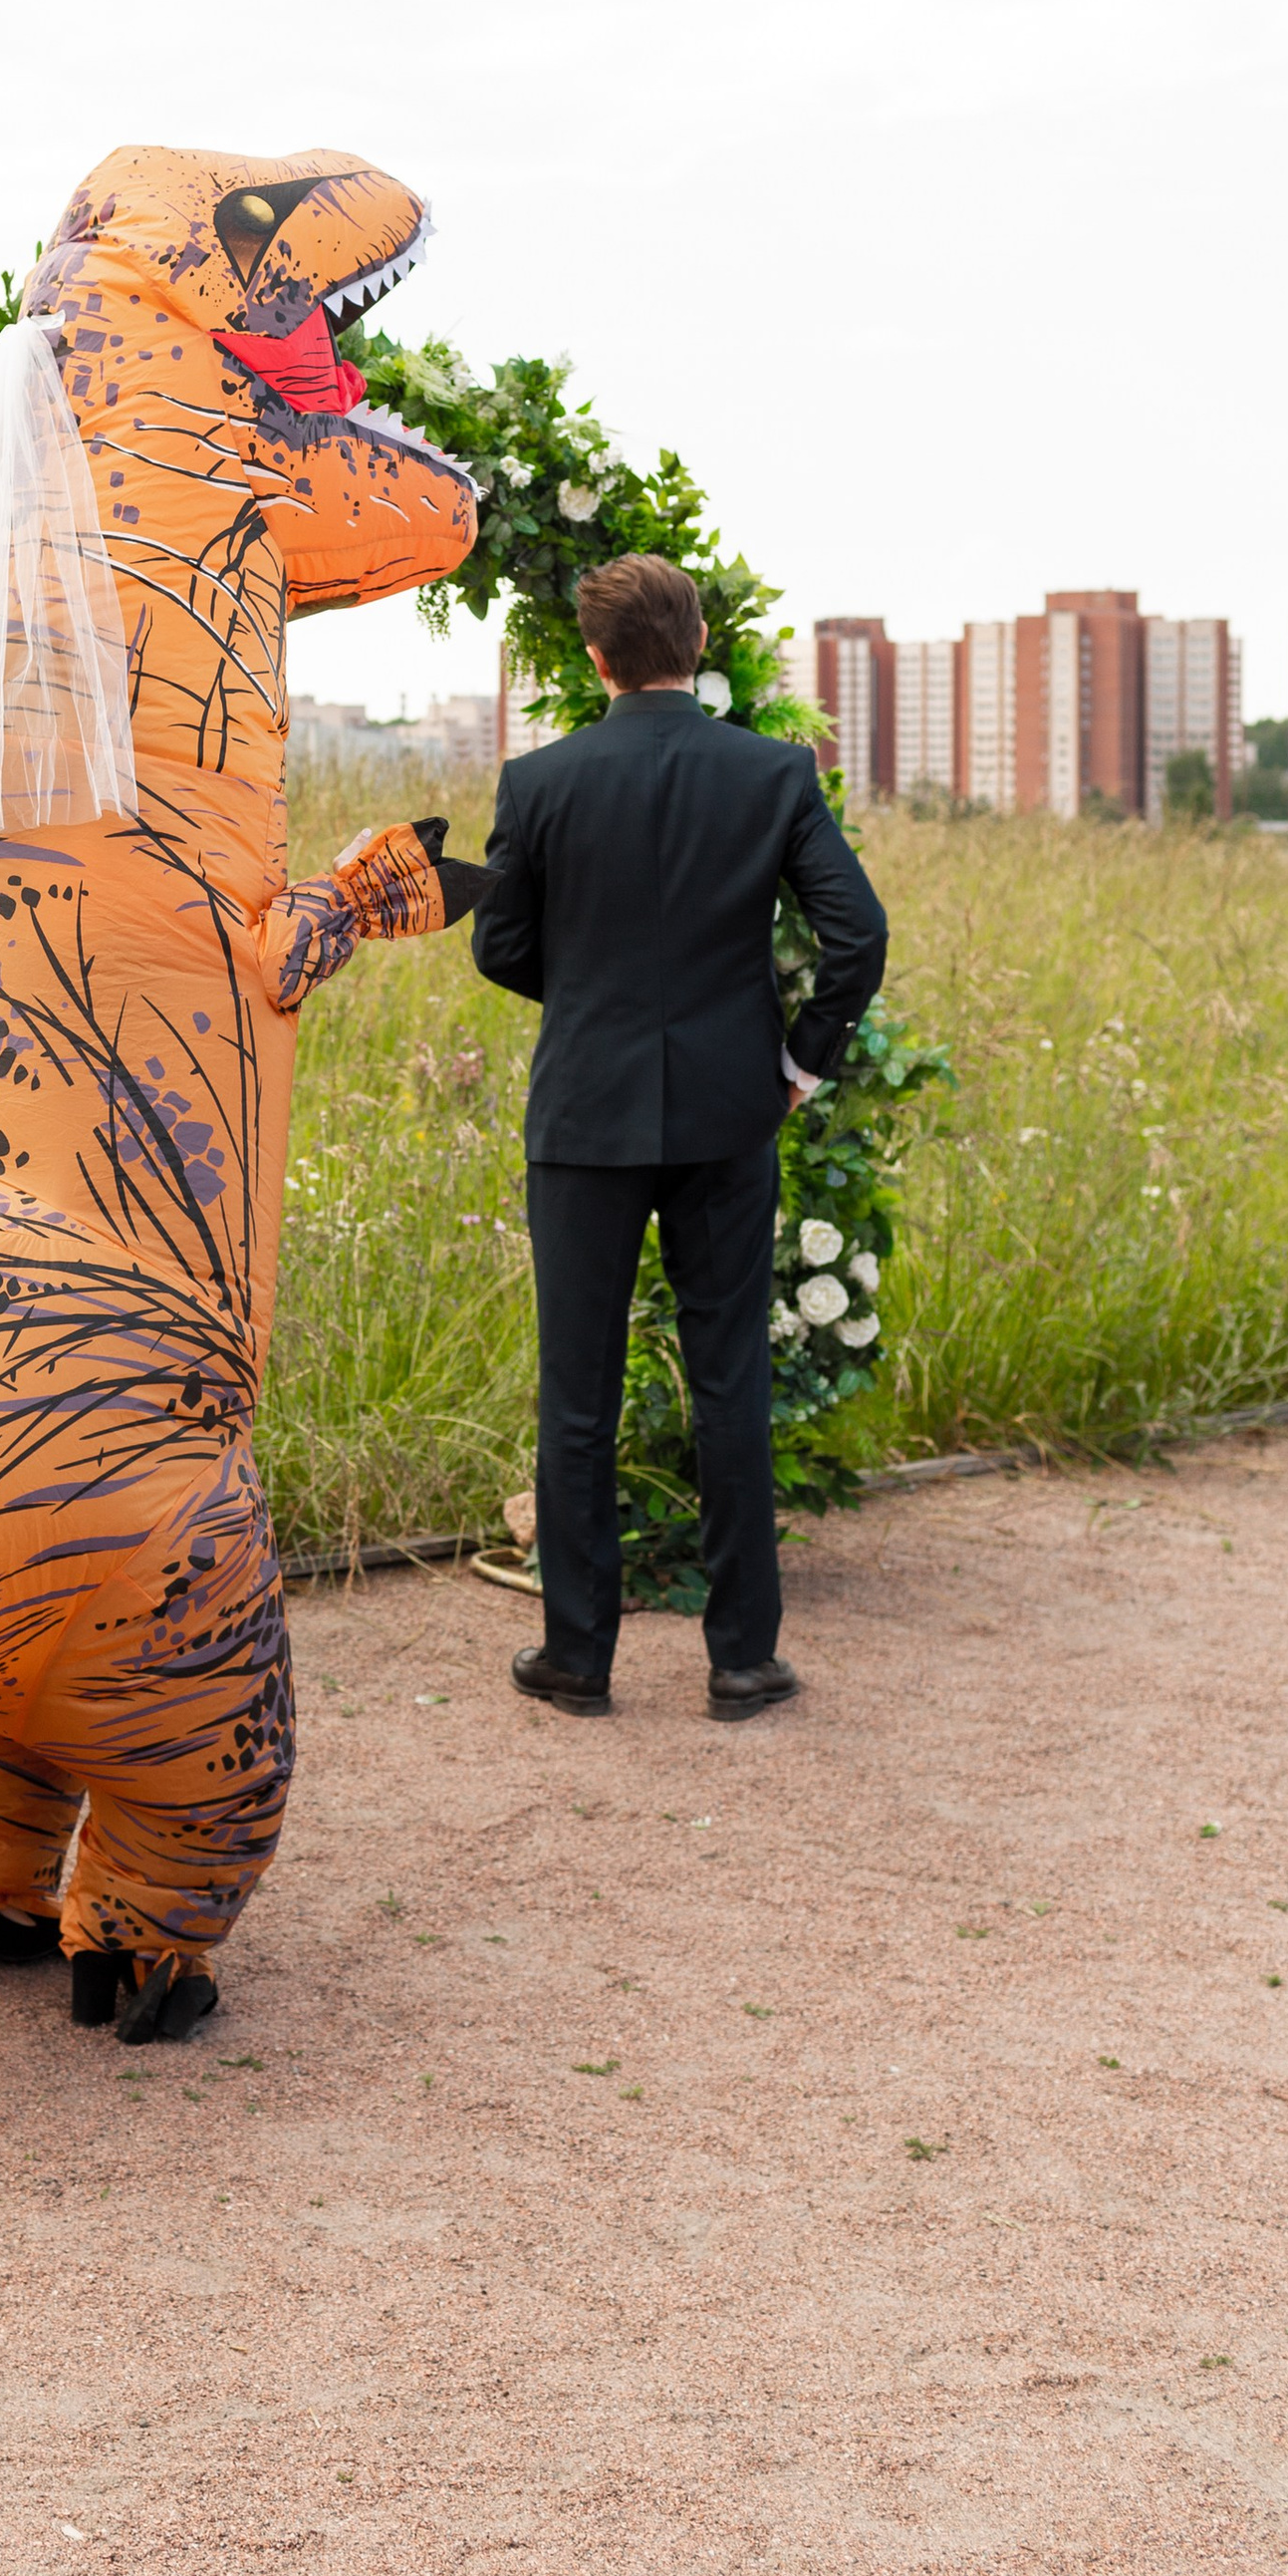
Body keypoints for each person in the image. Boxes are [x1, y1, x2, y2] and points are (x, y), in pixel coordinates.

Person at [468, 554, 888, 1720]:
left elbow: (500, 949)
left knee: (575, 1397)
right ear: (698, 643)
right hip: (728, 1111)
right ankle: (742, 1659)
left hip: (583, 1114)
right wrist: (799, 1060)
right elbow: (856, 934)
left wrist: (594, 997)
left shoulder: (537, 780)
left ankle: (576, 1658)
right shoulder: (772, 772)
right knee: (729, 1380)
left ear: (595, 659)